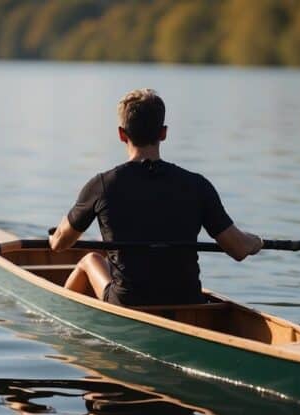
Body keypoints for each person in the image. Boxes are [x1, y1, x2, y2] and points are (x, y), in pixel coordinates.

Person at [48, 88, 263, 306]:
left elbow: (59, 244)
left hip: (128, 303)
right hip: (187, 303)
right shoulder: (197, 185)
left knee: (90, 259)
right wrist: (256, 242)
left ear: (122, 134)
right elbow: (238, 248)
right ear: (163, 133)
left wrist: (54, 237)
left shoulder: (102, 185)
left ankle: (61, 320)